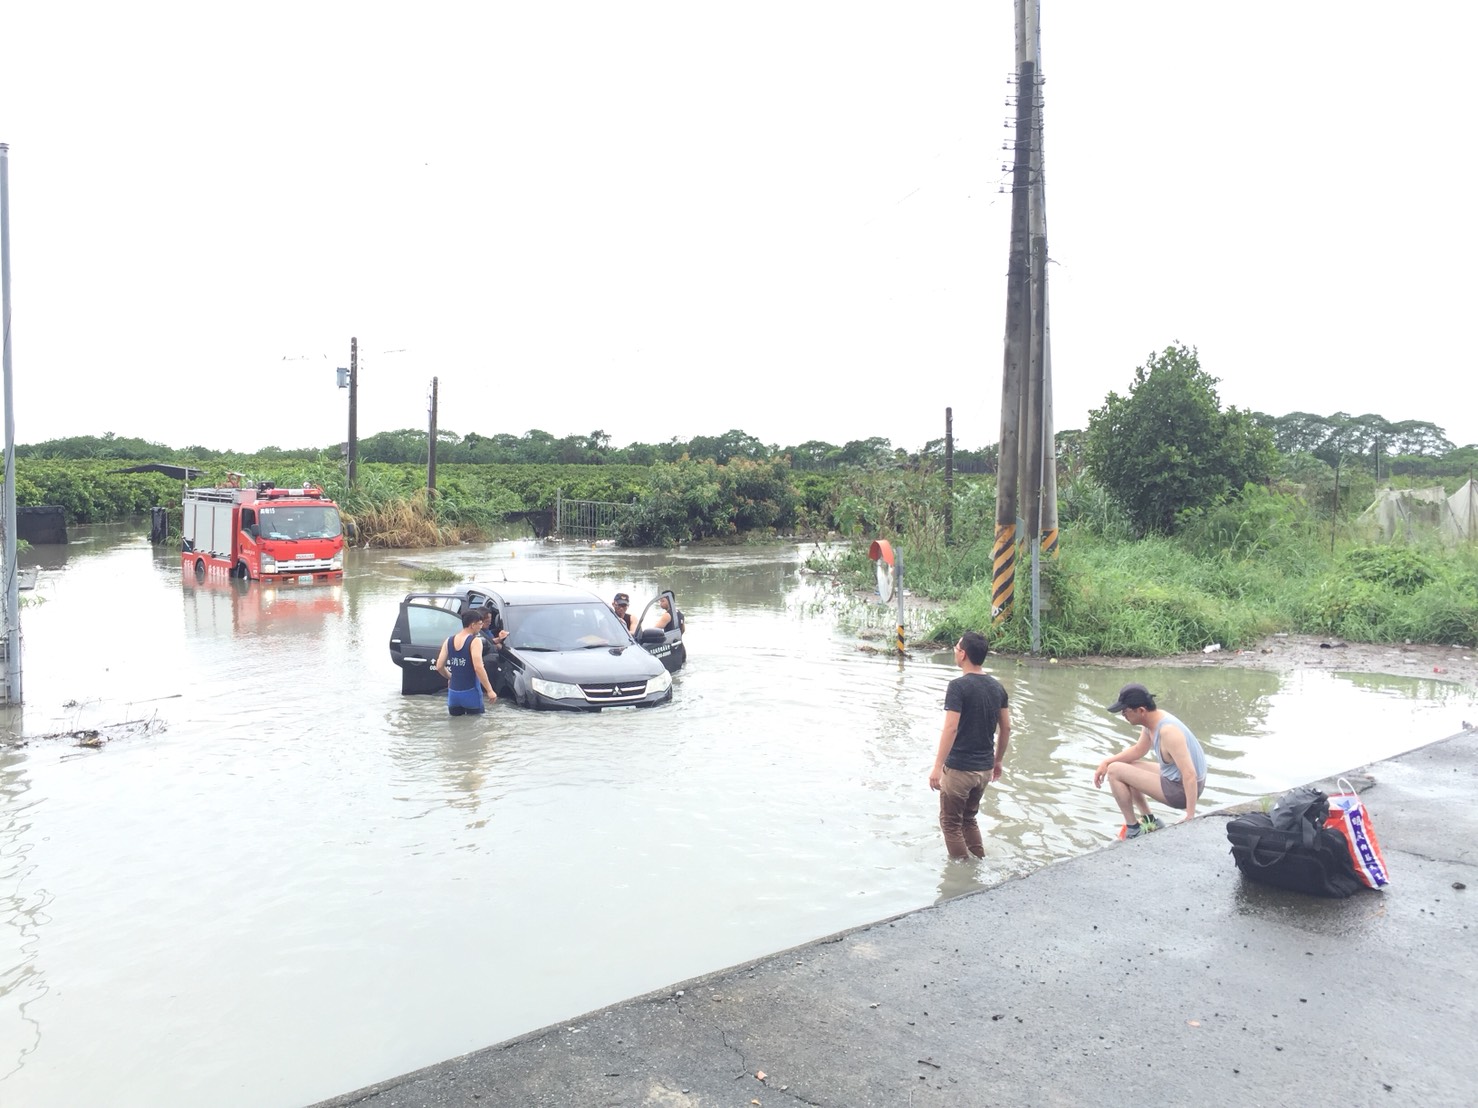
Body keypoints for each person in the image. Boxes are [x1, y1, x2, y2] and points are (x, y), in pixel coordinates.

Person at [929, 630, 1011, 860]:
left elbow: (951, 728)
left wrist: (937, 766)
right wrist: (998, 761)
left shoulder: (958, 686)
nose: (955, 652)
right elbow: (1006, 728)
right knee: (969, 818)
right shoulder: (997, 688)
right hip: (984, 770)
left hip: (960, 769)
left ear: (963, 654)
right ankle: (978, 864)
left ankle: (964, 879)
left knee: (950, 823)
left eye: (956, 648)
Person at [1094, 682, 1207, 838]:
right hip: (1176, 779)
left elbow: (1190, 774)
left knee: (1115, 771)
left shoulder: (1168, 731)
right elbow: (1139, 750)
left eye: (1125, 712)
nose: (1123, 716)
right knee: (1123, 765)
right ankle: (1150, 820)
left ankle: (1133, 829)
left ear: (1141, 710)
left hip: (1182, 790)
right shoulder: (1152, 720)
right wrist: (1106, 762)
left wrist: (1190, 815)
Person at [434, 606, 497, 715]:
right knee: (476, 728)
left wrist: (451, 677)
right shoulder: (475, 641)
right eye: (480, 624)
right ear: (473, 625)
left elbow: (439, 666)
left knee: (456, 728)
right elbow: (478, 668)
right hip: (471, 693)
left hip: (453, 695)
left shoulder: (448, 641)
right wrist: (490, 690)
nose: (481, 627)